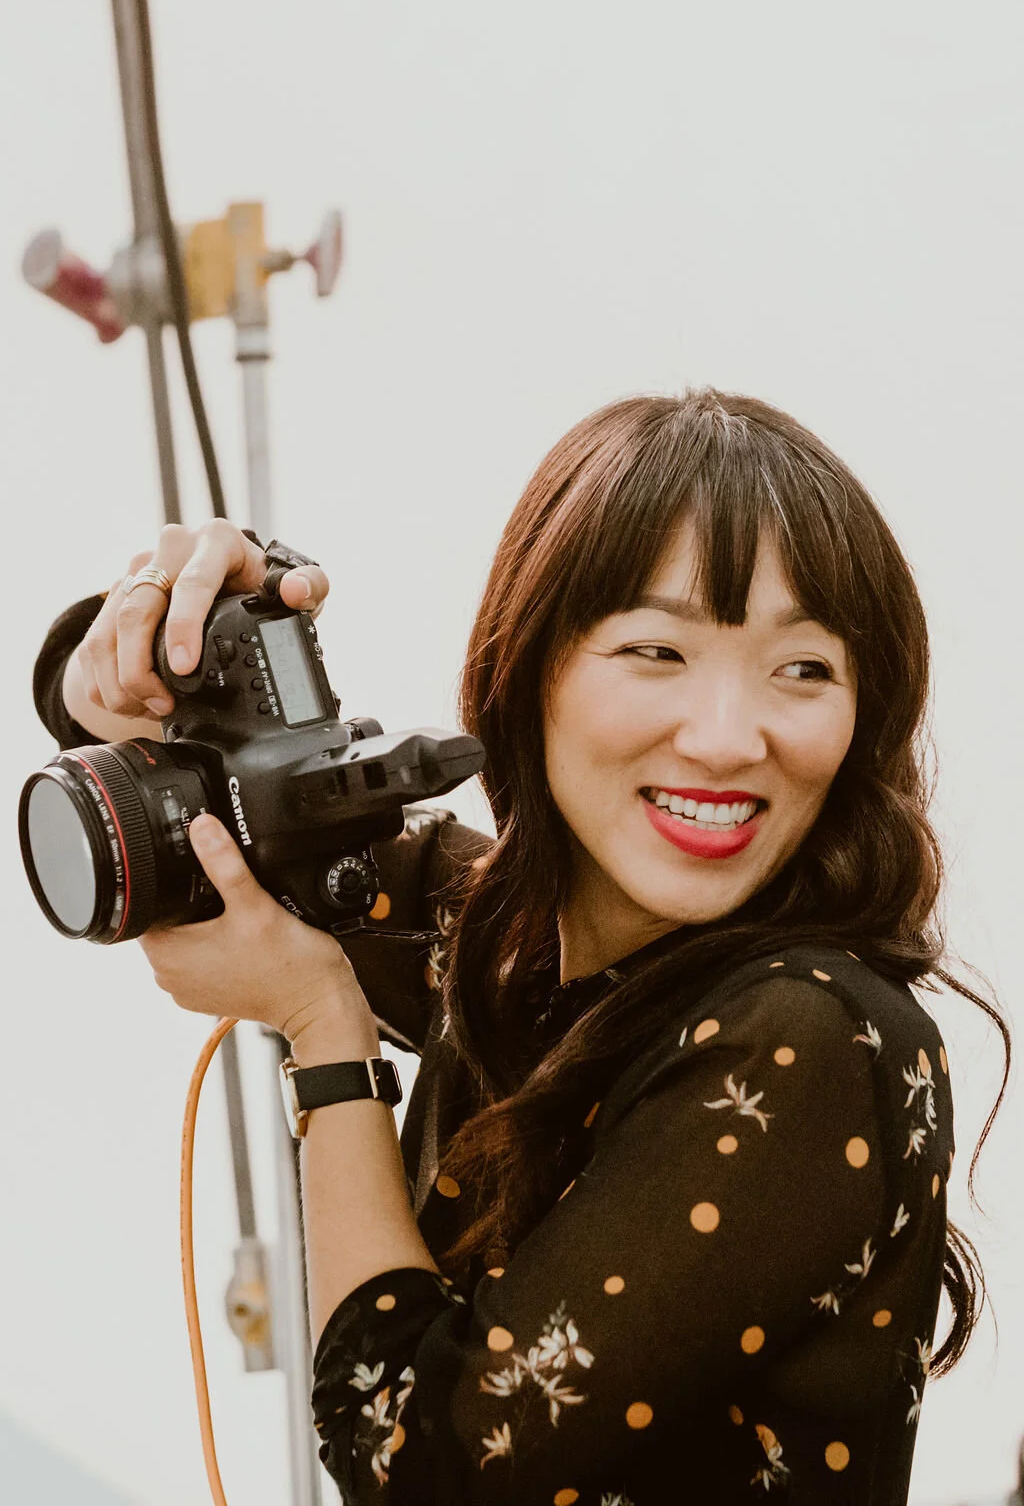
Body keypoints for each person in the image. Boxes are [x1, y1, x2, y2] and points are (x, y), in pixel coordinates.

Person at [33, 388, 1008, 1504]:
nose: (731, 738)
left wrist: (327, 1037)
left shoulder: (808, 1034)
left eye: (803, 670)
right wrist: (132, 639)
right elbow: (205, 816)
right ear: (527, 668)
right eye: (656, 650)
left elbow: (418, 1466)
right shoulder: (509, 944)